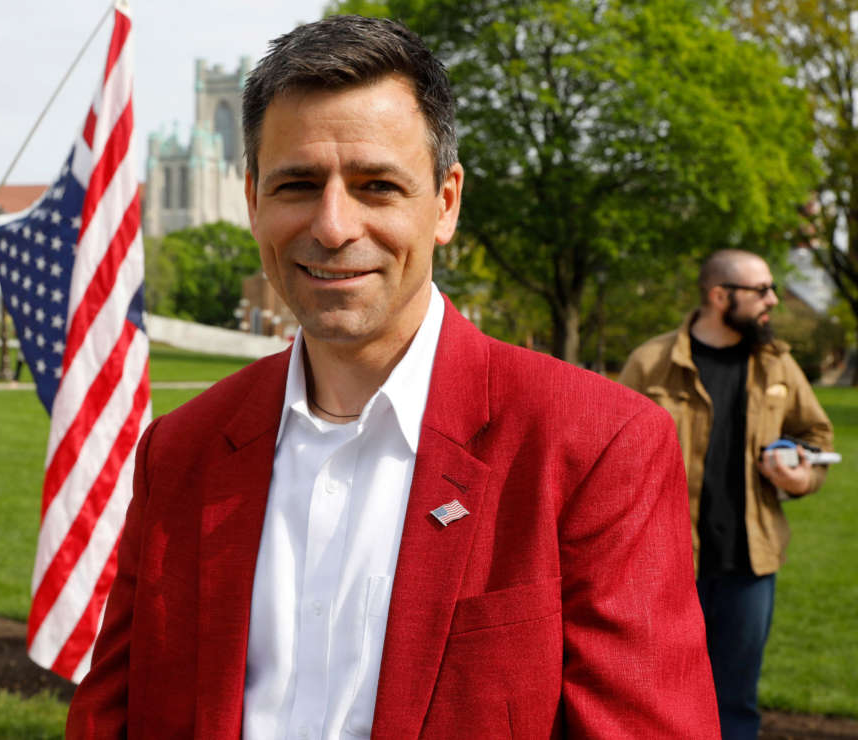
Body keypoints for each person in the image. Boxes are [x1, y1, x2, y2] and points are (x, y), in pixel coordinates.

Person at [67, 15, 718, 738]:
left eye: (377, 185)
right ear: (251, 200)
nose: (334, 225)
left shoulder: (593, 445)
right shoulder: (179, 452)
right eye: (297, 185)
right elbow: (110, 720)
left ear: (445, 202)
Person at [620, 249, 833, 740]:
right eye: (761, 291)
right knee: (658, 699)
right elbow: (610, 453)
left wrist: (801, 478)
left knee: (735, 704)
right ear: (720, 296)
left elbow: (817, 438)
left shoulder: (777, 365)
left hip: (749, 567)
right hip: (664, 567)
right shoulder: (651, 363)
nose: (773, 300)